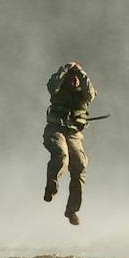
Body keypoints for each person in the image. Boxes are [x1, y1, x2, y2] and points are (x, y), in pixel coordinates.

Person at [42, 60, 95, 225]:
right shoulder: (57, 92)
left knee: (80, 166)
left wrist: (80, 71)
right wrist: (64, 69)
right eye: (70, 77)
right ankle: (51, 186)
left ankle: (72, 210)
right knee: (61, 155)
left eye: (76, 78)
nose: (74, 80)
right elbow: (52, 84)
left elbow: (90, 91)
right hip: (55, 129)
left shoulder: (84, 94)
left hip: (74, 133)